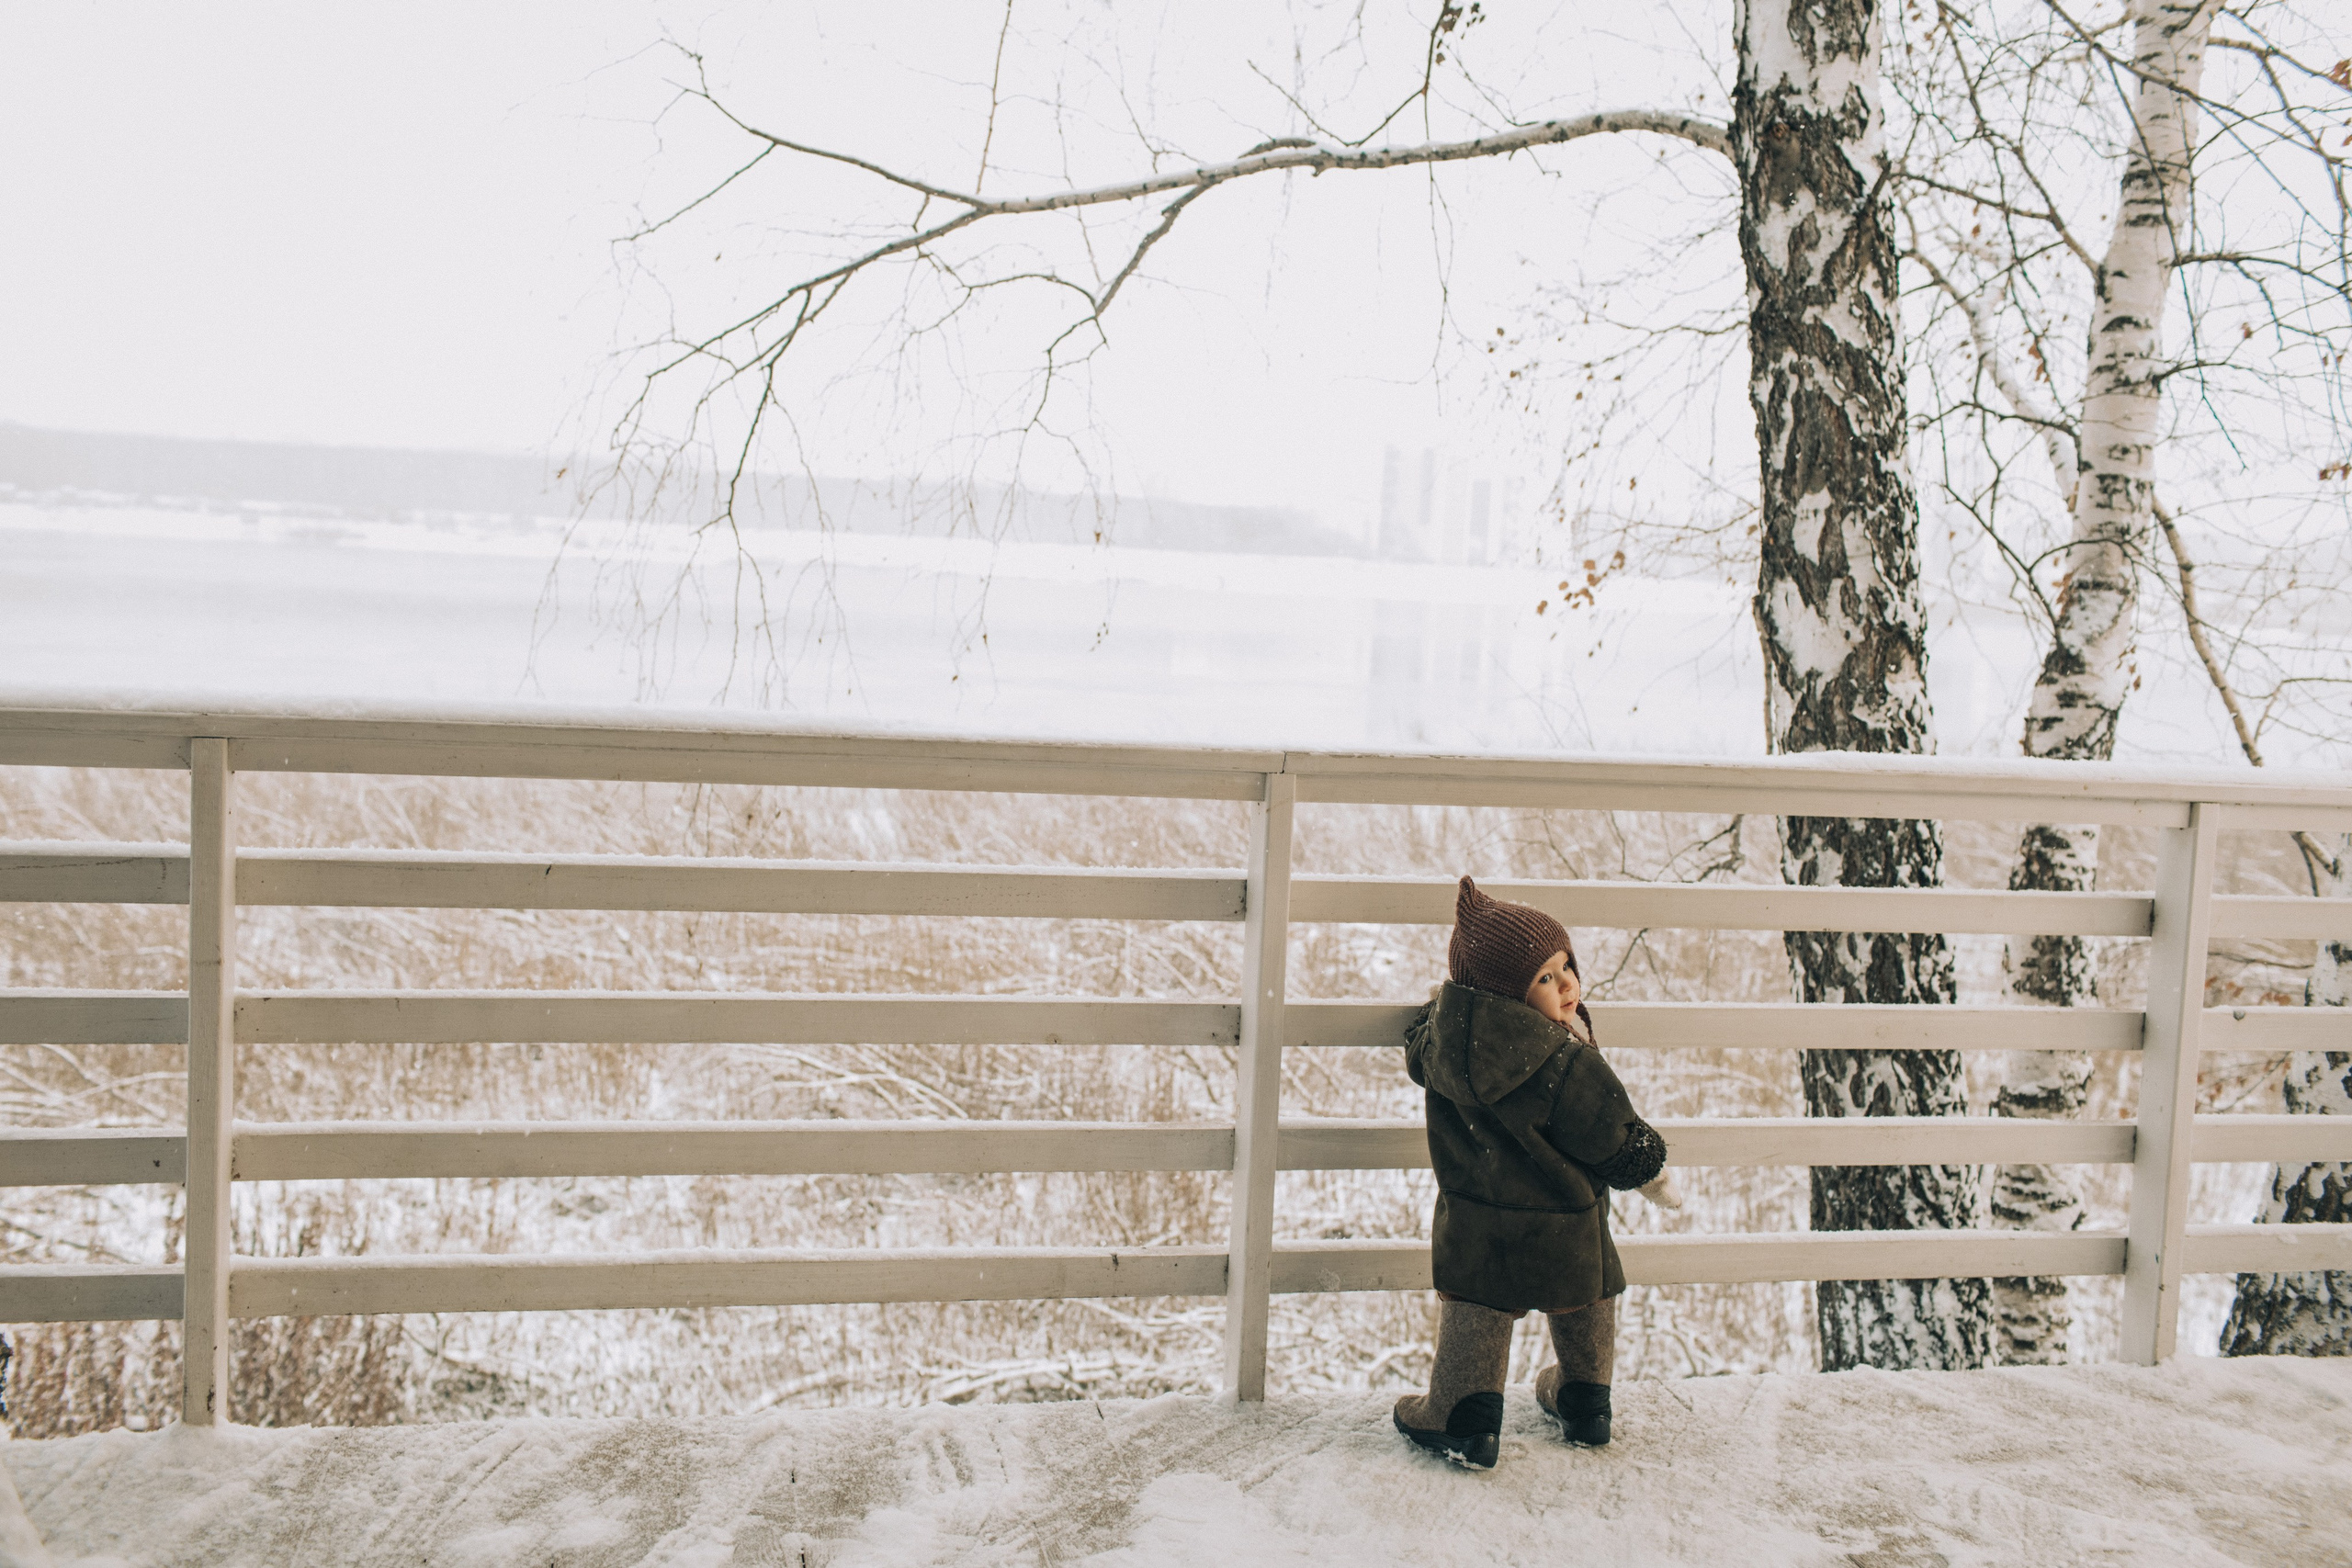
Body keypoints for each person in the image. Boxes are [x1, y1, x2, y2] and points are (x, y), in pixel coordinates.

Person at [1391, 875, 1676, 1469]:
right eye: (1545, 977)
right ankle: (1585, 1400)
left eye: (1566, 964)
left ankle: (1464, 1415)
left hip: (1475, 1215)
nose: (1568, 982)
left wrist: (1442, 1011)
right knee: (1586, 1295)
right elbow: (1608, 1129)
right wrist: (1646, 1167)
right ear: (1505, 993)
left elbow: (1419, 1043)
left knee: (1477, 1307)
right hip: (1565, 1216)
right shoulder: (1562, 1059)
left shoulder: (1448, 1045)